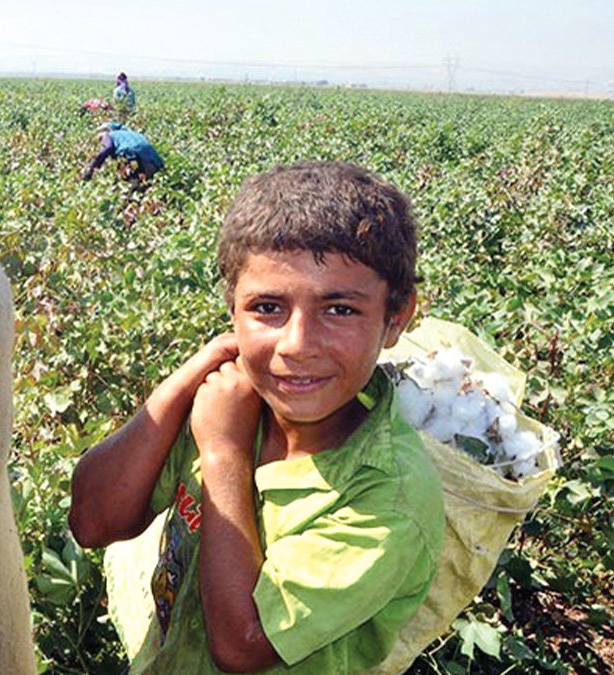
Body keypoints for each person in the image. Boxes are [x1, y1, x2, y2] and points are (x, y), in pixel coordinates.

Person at [69, 161, 446, 674]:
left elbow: (244, 645)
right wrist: (186, 380)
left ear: (395, 318)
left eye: (339, 310)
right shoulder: (231, 402)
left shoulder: (388, 495)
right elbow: (92, 521)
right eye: (267, 308)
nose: (297, 345)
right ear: (232, 311)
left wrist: (223, 454)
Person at [81, 122, 164, 185]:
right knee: (148, 184)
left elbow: (107, 148)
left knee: (129, 185)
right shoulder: (131, 134)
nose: (101, 141)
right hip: (151, 160)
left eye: (100, 138)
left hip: (132, 155)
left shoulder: (109, 135)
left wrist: (92, 166)